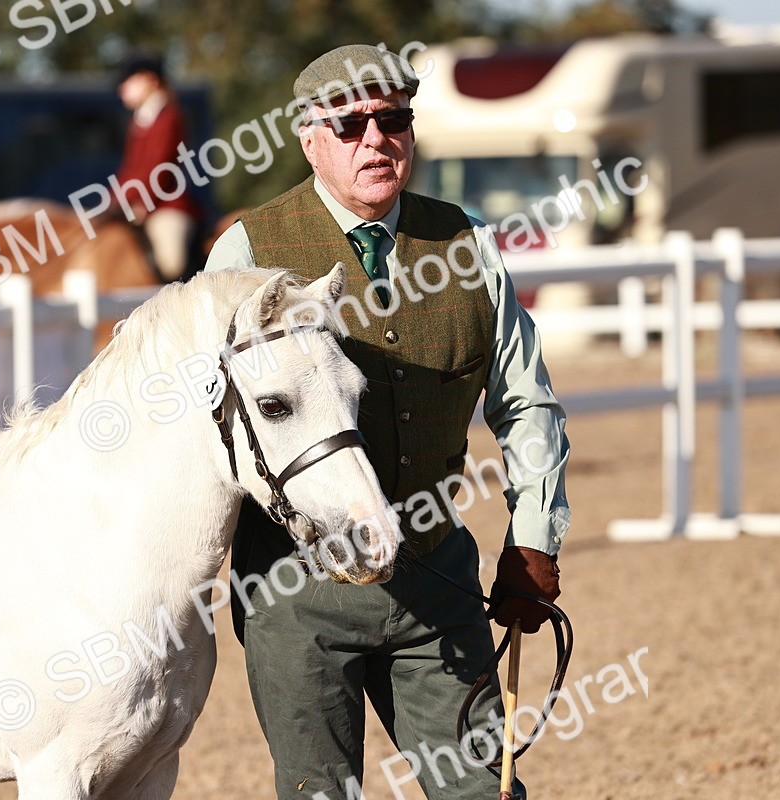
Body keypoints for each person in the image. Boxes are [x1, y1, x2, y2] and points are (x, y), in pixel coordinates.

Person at [205, 45, 570, 800]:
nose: (377, 139)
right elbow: (204, 427)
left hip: (437, 583)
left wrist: (534, 541)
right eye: (351, 125)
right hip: (293, 597)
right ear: (310, 139)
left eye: (393, 119)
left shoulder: (470, 244)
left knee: (480, 790)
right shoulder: (244, 253)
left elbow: (526, 402)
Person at [114, 51, 204, 281]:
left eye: (130, 80)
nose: (122, 88)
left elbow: (160, 168)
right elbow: (130, 169)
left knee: (170, 262)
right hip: (139, 204)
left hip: (167, 204)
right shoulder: (139, 119)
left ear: (151, 80)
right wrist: (112, 202)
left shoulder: (169, 116)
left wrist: (140, 202)